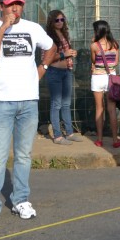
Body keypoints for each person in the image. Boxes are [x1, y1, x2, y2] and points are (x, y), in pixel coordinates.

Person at [0, 0, 54, 230]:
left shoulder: (33, 28)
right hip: (1, 102)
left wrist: (42, 69)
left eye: (18, 3)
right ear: (1, 6)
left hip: (29, 102)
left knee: (23, 155)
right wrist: (3, 28)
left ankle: (20, 199)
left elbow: (50, 47)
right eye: (10, 4)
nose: (15, 8)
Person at [42, 9, 81, 144]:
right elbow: (46, 58)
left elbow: (66, 53)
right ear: (51, 22)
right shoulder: (48, 38)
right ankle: (58, 136)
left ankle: (69, 133)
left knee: (66, 104)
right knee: (56, 104)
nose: (60, 22)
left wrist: (71, 53)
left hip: (66, 72)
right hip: (54, 72)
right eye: (57, 20)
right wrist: (65, 54)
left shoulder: (64, 35)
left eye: (62, 19)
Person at [90, 20, 120, 148]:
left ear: (97, 31)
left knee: (99, 109)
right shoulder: (114, 44)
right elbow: (116, 63)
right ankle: (115, 140)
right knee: (112, 109)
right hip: (111, 79)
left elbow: (93, 60)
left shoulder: (94, 46)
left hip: (97, 77)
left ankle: (99, 139)